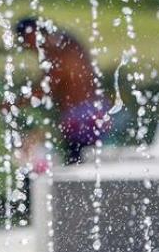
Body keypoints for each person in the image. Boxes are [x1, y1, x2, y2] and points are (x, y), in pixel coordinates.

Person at [15, 17, 112, 164]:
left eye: (28, 41)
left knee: (78, 166)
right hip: (93, 111)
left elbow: (46, 88)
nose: (29, 47)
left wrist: (15, 103)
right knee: (84, 164)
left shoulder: (57, 51)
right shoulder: (65, 43)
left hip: (83, 118)